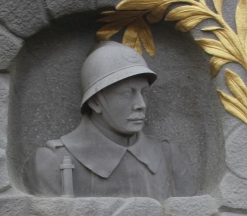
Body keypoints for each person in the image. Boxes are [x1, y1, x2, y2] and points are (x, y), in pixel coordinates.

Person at [33, 40, 178, 199]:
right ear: (95, 102)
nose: (141, 105)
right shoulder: (51, 162)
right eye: (127, 94)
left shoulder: (169, 157)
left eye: (143, 92)